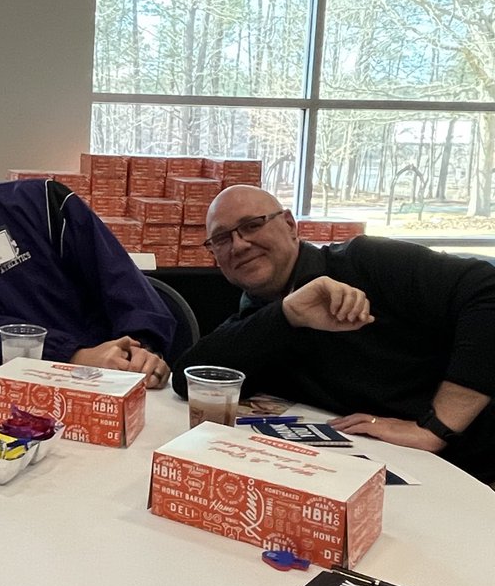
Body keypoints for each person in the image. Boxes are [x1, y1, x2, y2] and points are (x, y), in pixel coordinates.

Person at [172, 184, 495, 482]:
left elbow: (487, 290)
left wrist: (436, 426)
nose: (239, 244)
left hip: (467, 467)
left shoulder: (366, 262)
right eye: (222, 239)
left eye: (253, 225)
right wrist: (287, 315)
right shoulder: (259, 315)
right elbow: (191, 381)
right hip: (370, 468)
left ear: (289, 224)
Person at [0, 104, 175, 386]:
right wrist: (74, 356)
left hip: (111, 376)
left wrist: (141, 349)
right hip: (6, 394)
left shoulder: (44, 202)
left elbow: (119, 278)